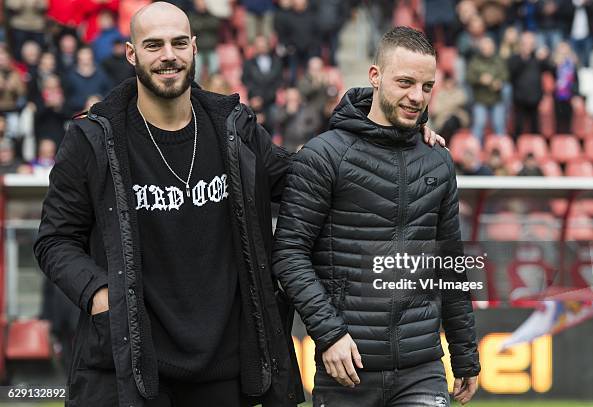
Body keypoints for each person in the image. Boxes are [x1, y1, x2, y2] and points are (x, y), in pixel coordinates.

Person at [34, 3, 304, 406]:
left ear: (194, 48)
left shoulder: (235, 128)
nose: (168, 56)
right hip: (134, 368)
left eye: (179, 43)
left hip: (226, 372)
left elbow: (306, 177)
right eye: (153, 45)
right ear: (131, 54)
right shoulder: (93, 139)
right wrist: (101, 294)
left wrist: (386, 129)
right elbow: (54, 240)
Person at [272, 26, 480, 407]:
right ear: (375, 76)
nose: (417, 97)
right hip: (347, 369)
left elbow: (449, 265)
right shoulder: (323, 156)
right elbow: (288, 253)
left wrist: (465, 354)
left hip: (423, 369)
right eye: (405, 82)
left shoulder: (438, 160)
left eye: (426, 86)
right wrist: (330, 334)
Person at [466, 36, 509, 141]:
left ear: (493, 48)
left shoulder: (499, 61)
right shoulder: (475, 61)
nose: (487, 50)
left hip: (496, 98)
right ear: (481, 49)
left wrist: (499, 82)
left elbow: (505, 75)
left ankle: (501, 149)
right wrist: (480, 79)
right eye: (484, 48)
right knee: (479, 124)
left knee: (499, 124)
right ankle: (474, 150)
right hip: (480, 99)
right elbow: (468, 78)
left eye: (489, 47)